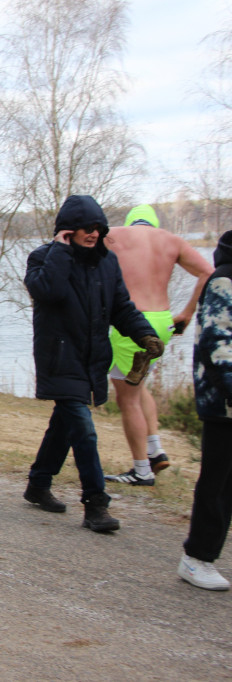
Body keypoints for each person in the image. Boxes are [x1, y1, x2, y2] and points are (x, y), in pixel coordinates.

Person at [22, 195, 162, 532]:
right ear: (67, 230)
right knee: (83, 431)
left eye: (99, 227)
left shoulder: (107, 263)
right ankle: (96, 504)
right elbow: (47, 291)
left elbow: (121, 307)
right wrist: (60, 250)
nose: (94, 233)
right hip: (59, 358)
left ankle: (39, 485)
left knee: (65, 426)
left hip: (92, 361)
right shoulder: (43, 258)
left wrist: (144, 334)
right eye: (87, 227)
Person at [103, 204, 214, 486]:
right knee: (138, 388)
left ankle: (142, 471)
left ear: (130, 222)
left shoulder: (115, 235)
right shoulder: (172, 240)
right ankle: (155, 450)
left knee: (127, 399)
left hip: (133, 324)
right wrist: (187, 313)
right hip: (163, 323)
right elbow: (208, 273)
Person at [177, 230, 232, 590]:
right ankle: (197, 559)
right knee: (219, 482)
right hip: (224, 404)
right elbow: (217, 343)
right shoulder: (224, 281)